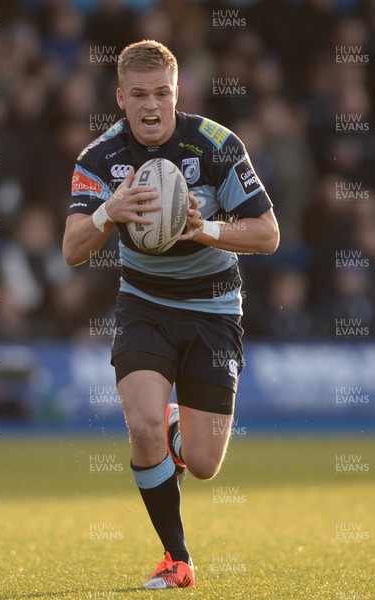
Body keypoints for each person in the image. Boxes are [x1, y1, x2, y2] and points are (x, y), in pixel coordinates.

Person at [63, 40, 279, 589]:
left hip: (213, 309)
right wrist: (109, 212)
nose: (152, 104)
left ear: (176, 92)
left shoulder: (216, 145)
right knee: (142, 425)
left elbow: (268, 234)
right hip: (145, 305)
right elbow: (71, 249)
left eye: (162, 92)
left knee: (204, 464)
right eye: (139, 95)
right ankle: (176, 557)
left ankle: (178, 425)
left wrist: (205, 228)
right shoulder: (99, 158)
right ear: (120, 98)